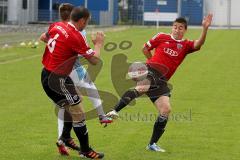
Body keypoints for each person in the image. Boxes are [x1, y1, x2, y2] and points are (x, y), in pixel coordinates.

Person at [107, 14, 213, 152]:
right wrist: (151, 62)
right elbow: (145, 48)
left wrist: (205, 28)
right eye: (175, 27)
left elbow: (199, 44)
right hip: (150, 70)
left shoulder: (185, 45)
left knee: (166, 110)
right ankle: (113, 111)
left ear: (184, 30)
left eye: (180, 28)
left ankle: (152, 144)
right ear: (172, 28)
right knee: (143, 87)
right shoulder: (162, 36)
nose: (177, 30)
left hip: (162, 80)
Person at [40, 3, 112, 156]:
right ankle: (86, 150)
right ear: (82, 21)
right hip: (57, 79)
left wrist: (62, 50)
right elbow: (94, 60)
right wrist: (98, 44)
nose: (87, 24)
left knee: (74, 102)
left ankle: (65, 137)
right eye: (87, 21)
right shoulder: (76, 36)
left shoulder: (57, 25)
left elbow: (45, 38)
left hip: (49, 74)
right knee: (78, 111)